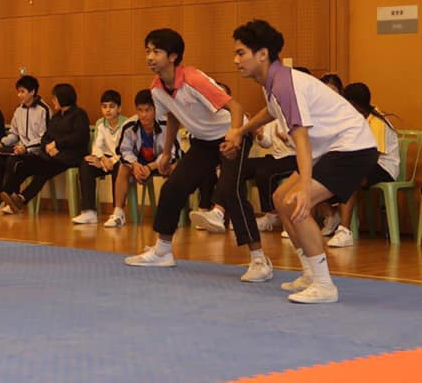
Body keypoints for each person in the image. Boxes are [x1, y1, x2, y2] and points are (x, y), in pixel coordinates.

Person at [226, 20, 378, 303]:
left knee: (295, 201)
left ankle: (324, 285)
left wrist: (306, 188)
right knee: (280, 198)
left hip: (352, 147)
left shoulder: (285, 84)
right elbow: (271, 111)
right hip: (331, 149)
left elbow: (302, 139)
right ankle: (309, 273)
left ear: (262, 54)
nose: (235, 60)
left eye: (241, 53)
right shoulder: (273, 81)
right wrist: (241, 130)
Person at [125, 28, 273, 285]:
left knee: (231, 190)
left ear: (173, 56)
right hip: (203, 142)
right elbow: (172, 116)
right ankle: (162, 251)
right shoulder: (157, 89)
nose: (149, 57)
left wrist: (235, 137)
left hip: (232, 133)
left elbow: (235, 107)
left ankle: (259, 259)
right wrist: (167, 153)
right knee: (173, 187)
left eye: (156, 52)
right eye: (147, 51)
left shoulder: (193, 79)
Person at [325, 82, 400, 248]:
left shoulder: (377, 122)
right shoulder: (359, 119)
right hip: (367, 163)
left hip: (384, 167)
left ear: (354, 104)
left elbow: (373, 155)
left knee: (350, 178)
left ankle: (344, 230)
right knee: (328, 172)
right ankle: (336, 215)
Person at [0, 83, 89, 214]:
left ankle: (19, 199)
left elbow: (80, 137)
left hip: (71, 156)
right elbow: (46, 137)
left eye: (55, 98)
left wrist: (57, 145)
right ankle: (7, 195)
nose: (53, 101)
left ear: (63, 98)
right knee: (25, 165)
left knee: (43, 170)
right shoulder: (57, 117)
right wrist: (47, 147)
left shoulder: (79, 115)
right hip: (51, 155)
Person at [102, 90, 178, 228]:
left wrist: (151, 167)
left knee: (174, 168)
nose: (143, 115)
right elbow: (123, 150)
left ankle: (171, 214)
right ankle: (118, 213)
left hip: (161, 163)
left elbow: (173, 153)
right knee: (123, 167)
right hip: (139, 163)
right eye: (140, 110)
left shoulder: (167, 124)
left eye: (148, 110)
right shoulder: (130, 125)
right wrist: (135, 165)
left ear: (155, 109)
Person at [0, 75, 49, 213]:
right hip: (19, 150)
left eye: (22, 92)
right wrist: (2, 143)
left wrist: (26, 148)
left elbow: (45, 137)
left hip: (36, 153)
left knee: (13, 162)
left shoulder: (43, 110)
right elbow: (14, 134)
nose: (19, 95)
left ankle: (11, 200)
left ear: (32, 91)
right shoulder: (19, 110)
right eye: (18, 92)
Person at [72, 90, 126, 224]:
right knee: (86, 164)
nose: (107, 110)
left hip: (121, 158)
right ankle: (89, 211)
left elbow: (126, 149)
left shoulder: (126, 123)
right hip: (105, 158)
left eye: (112, 106)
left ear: (119, 108)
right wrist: (102, 160)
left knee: (119, 167)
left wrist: (111, 161)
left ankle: (117, 213)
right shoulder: (100, 123)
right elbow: (97, 146)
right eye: (104, 106)